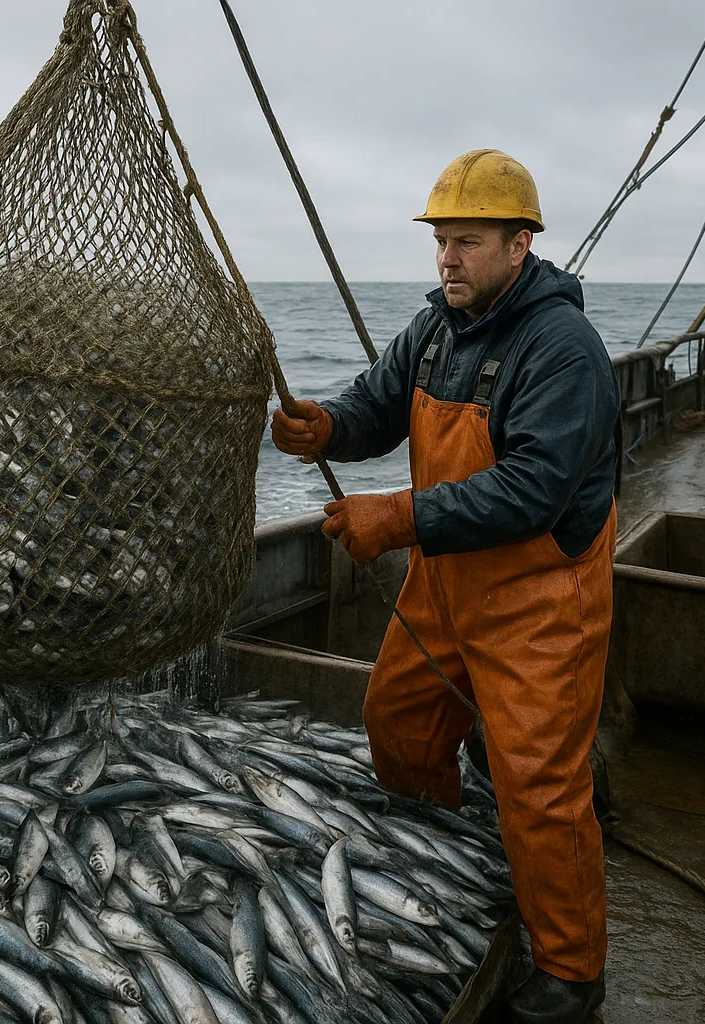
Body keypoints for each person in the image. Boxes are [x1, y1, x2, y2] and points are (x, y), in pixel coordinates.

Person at [271, 149, 619, 1024]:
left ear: (520, 244)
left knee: (539, 782)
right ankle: (450, 868)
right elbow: (379, 405)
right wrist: (329, 426)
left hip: (540, 600)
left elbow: (534, 490)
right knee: (397, 721)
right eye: (441, 242)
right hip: (445, 581)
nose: (448, 259)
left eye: (467, 242)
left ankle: (573, 972)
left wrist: (396, 517)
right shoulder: (434, 328)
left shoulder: (563, 348)